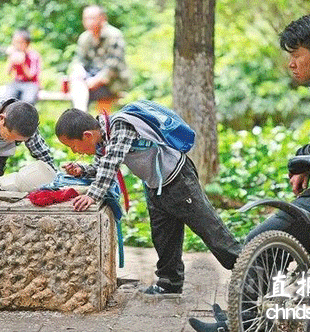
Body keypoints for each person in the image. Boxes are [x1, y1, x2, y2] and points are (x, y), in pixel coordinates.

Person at [189, 14, 310, 332]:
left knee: (260, 240)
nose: (291, 64)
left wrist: (297, 162)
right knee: (275, 240)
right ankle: (240, 316)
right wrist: (306, 165)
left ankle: (236, 324)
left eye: (296, 55)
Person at [55, 105, 242, 296]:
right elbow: (102, 163)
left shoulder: (120, 126)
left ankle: (251, 268)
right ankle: (169, 283)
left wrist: (91, 196)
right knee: (163, 237)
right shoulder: (105, 136)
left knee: (209, 229)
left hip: (178, 180)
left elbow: (111, 163)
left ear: (87, 135)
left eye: (73, 146)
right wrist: (82, 169)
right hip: (155, 185)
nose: (75, 151)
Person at [69, 5, 129, 112]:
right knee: (76, 79)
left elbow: (113, 67)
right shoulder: (84, 38)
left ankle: (89, 120)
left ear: (103, 18)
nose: (88, 21)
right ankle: (80, 115)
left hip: (111, 82)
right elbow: (79, 60)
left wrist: (95, 81)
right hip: (89, 80)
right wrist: (79, 71)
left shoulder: (114, 35)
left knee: (91, 94)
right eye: (86, 18)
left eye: (92, 18)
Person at [4, 29, 42, 104]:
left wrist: (23, 63)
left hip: (31, 84)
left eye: (20, 42)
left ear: (27, 43)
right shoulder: (15, 55)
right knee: (7, 100)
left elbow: (31, 76)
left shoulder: (33, 56)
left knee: (27, 101)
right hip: (17, 82)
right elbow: (8, 72)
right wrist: (11, 60)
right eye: (15, 43)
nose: (17, 45)